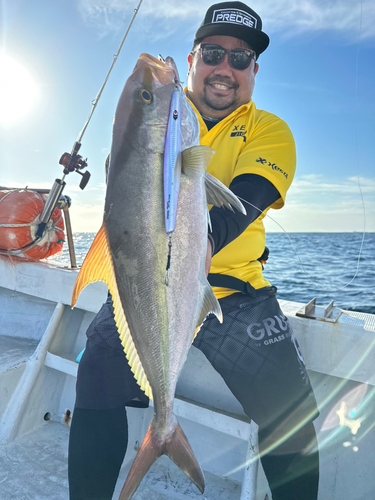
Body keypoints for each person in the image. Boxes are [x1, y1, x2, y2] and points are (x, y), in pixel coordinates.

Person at [68, 2, 320, 499]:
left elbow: (242, 204)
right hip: (144, 284)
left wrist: (196, 247)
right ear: (191, 59)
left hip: (234, 291)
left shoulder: (270, 131)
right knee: (94, 373)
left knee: (291, 413)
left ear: (253, 71)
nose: (226, 68)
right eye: (213, 53)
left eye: (241, 58)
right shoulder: (162, 114)